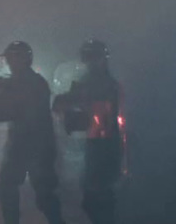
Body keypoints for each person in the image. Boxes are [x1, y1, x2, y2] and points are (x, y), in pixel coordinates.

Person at [0, 41, 67, 224]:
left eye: (13, 59)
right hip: (25, 146)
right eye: (9, 60)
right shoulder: (24, 82)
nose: (10, 64)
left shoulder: (32, 83)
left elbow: (17, 109)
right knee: (10, 189)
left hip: (35, 148)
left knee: (43, 197)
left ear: (24, 59)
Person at [53, 39, 124, 224]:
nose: (91, 62)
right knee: (92, 199)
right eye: (88, 58)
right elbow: (73, 101)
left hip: (106, 148)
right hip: (95, 145)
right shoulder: (91, 81)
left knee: (99, 199)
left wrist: (70, 103)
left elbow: (96, 111)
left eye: (94, 57)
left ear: (102, 58)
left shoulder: (107, 84)